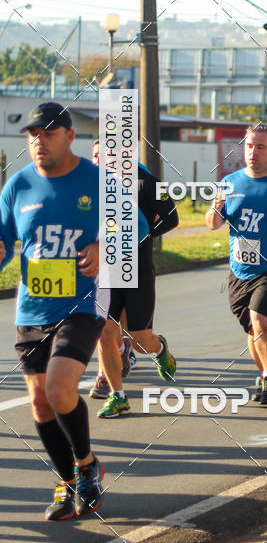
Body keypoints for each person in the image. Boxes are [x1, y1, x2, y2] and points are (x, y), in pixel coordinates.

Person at [0, 102, 146, 520]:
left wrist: (105, 248)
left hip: (82, 304)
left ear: (68, 136)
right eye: (32, 134)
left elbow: (135, 226)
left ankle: (85, 465)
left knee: (59, 388)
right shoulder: (18, 186)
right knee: (40, 404)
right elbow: (4, 240)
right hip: (31, 308)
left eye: (47, 133)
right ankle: (72, 478)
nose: (38, 141)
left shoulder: (99, 182)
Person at [89, 140, 178, 418]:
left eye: (103, 155)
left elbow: (172, 217)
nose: (98, 161)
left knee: (139, 341)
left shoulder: (144, 180)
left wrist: (144, 235)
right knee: (104, 331)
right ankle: (117, 394)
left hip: (138, 269)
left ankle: (159, 347)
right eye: (94, 156)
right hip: (105, 271)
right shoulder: (88, 184)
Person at [206, 124, 267, 405]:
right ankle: (265, 375)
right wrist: (214, 209)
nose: (253, 152)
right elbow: (213, 224)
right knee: (253, 329)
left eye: (260, 147)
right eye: (249, 146)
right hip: (239, 269)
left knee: (260, 317)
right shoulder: (231, 182)